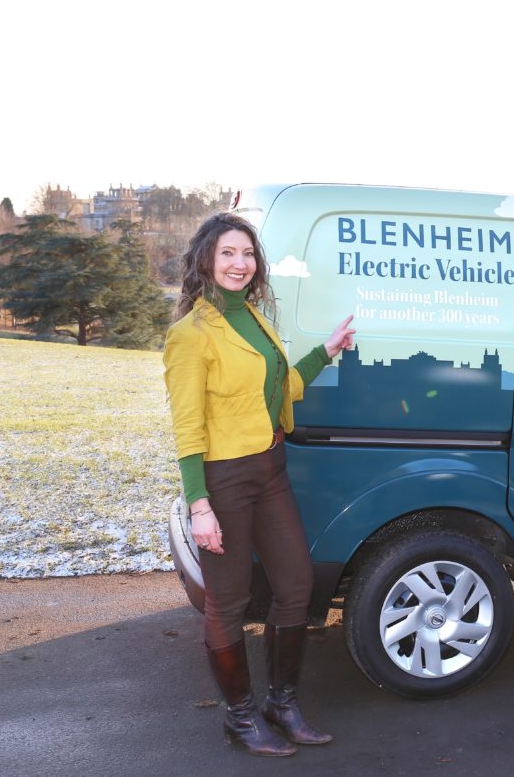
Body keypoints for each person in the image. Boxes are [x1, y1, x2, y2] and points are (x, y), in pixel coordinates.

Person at [163, 212, 355, 757]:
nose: (239, 263)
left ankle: (282, 703)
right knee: (229, 599)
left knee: (294, 585)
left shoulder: (254, 317)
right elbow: (187, 427)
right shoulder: (191, 335)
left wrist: (327, 350)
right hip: (224, 476)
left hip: (270, 466)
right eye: (227, 253)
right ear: (206, 260)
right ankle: (241, 718)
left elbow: (280, 386)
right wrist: (199, 503)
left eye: (246, 254)